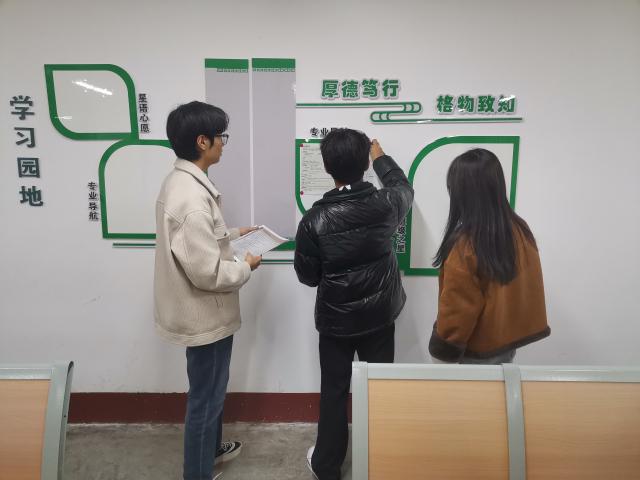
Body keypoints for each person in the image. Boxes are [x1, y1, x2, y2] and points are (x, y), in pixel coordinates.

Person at [294, 129, 414, 480]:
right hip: (379, 315)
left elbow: (308, 276)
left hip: (336, 322)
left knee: (333, 392)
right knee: (379, 388)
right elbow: (404, 187)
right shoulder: (386, 203)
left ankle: (327, 466)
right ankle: (380, 462)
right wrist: (381, 158)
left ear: (327, 166)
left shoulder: (313, 220)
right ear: (365, 165)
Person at [154, 101, 261, 480]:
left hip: (204, 312)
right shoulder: (191, 198)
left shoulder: (182, 183)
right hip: (204, 315)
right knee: (206, 398)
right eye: (221, 137)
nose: (223, 144)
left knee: (212, 390)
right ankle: (197, 473)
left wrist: (234, 235)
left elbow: (199, 242)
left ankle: (210, 451)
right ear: (203, 141)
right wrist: (245, 267)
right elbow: (207, 273)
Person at [428, 148, 550, 364]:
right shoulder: (518, 229)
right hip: (505, 348)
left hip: (473, 353)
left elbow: (458, 308)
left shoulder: (466, 244)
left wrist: (442, 353)